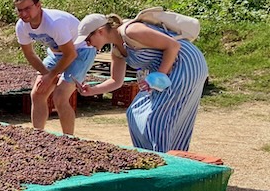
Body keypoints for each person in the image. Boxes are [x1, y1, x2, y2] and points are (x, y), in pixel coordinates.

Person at [75, 12, 208, 153]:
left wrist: (159, 75)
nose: (87, 43)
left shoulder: (131, 31)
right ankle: (152, 155)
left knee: (157, 119)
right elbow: (116, 81)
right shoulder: (117, 49)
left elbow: (173, 46)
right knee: (134, 112)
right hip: (164, 71)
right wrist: (92, 90)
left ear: (100, 32)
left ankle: (165, 160)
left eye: (88, 38)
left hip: (185, 63)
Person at [13, 0, 97, 135]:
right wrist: (46, 75)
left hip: (81, 51)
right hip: (57, 53)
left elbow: (71, 54)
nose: (24, 14)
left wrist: (51, 76)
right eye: (20, 10)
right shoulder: (21, 26)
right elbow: (30, 54)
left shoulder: (54, 23)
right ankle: (37, 135)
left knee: (60, 96)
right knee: (38, 93)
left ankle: (68, 139)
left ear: (38, 5)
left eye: (27, 8)